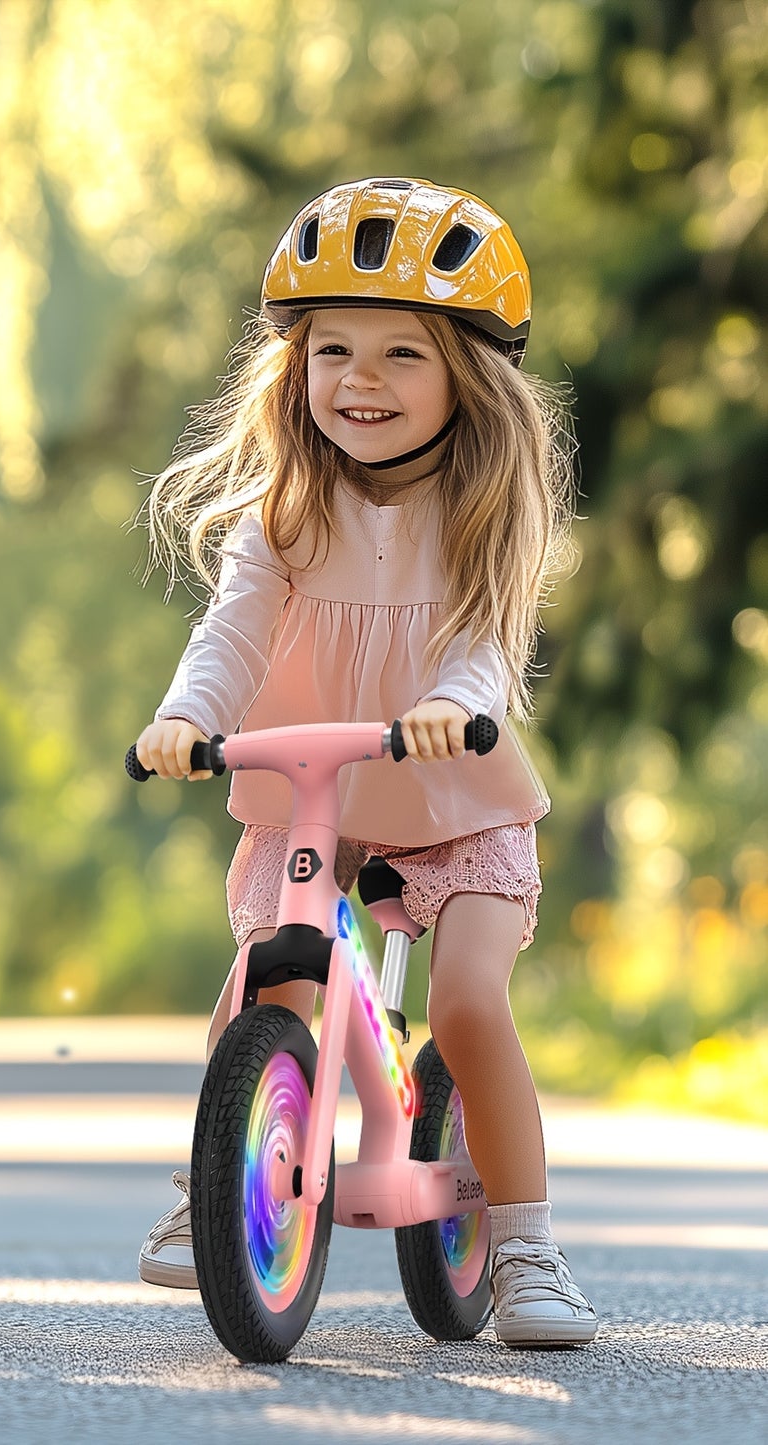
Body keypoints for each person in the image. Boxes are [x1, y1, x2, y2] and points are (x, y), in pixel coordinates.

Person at [132, 178, 597, 1347]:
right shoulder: (282, 509)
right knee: (262, 980)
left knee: (466, 1003)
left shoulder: (481, 503)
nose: (359, 380)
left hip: (455, 795)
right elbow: (229, 633)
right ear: (292, 367)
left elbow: (489, 639)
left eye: (401, 355)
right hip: (313, 792)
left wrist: (451, 702)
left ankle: (528, 1250)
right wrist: (183, 715)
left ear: (466, 378)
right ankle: (216, 1184)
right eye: (331, 349)